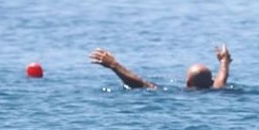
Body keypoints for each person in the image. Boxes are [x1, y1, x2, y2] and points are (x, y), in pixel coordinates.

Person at [90, 45, 231, 90]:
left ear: (188, 83)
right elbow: (222, 78)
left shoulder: (181, 95)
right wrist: (224, 61)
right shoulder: (217, 89)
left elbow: (141, 84)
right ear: (211, 81)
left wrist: (114, 65)